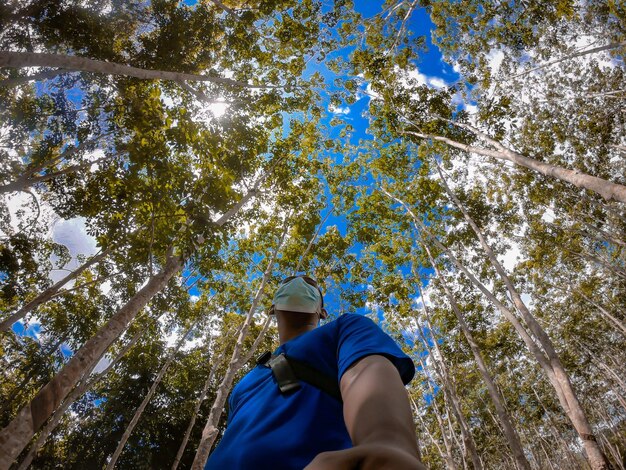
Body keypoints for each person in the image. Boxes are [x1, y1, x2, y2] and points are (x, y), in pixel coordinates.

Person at [204, 275, 426, 469]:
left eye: (310, 284)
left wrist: (385, 443)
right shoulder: (245, 382)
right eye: (288, 282)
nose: (299, 283)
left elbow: (366, 370)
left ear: (322, 311)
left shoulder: (344, 328)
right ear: (272, 307)